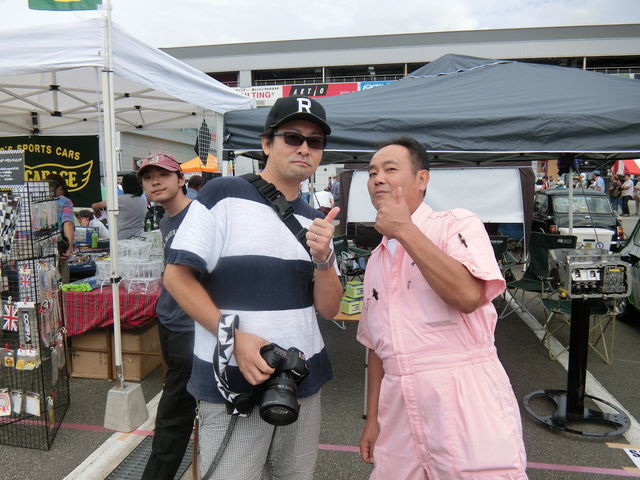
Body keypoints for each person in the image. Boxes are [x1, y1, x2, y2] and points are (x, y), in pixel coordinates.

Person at [163, 96, 343, 479]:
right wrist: (234, 337)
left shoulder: (316, 220)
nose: (304, 148)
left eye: (314, 141)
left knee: (295, 475)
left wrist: (325, 258)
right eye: (292, 137)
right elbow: (176, 277)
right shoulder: (223, 194)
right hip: (233, 381)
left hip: (301, 379)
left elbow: (329, 309)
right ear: (266, 143)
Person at [357, 137, 528, 480]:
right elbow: (377, 347)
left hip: (463, 395)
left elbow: (468, 296)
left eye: (390, 169)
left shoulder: (455, 225)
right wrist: (373, 419)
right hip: (397, 404)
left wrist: (404, 230)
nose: (378, 179)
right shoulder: (376, 258)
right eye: (373, 172)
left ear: (422, 179)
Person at [137, 153, 197, 480]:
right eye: (148, 178)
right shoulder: (166, 220)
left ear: (181, 179)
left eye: (163, 174)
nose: (155, 182)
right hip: (169, 320)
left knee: (174, 409)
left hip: (192, 327)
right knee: (177, 397)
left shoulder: (198, 216)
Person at [91, 173, 147, 239]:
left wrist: (96, 211)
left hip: (123, 237)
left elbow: (94, 206)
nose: (121, 184)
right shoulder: (143, 198)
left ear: (126, 185)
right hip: (140, 236)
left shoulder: (120, 199)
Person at [46, 174, 75, 284]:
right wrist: (69, 247)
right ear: (59, 188)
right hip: (57, 251)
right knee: (61, 287)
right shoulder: (64, 201)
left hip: (37, 253)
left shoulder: (34, 201)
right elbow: (68, 223)